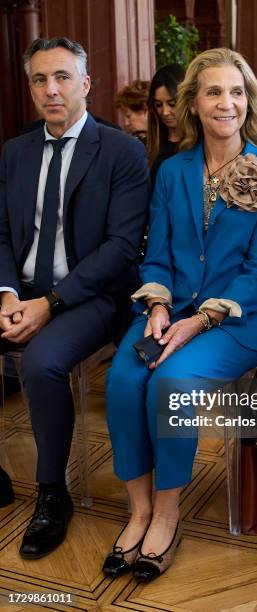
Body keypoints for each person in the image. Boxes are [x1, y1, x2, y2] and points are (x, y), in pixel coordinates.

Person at [103, 47, 257, 583]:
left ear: (248, 102)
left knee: (173, 382)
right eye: (213, 91)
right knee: (121, 379)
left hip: (239, 318)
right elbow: (155, 252)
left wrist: (198, 321)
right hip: (172, 308)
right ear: (193, 103)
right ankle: (137, 510)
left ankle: (167, 512)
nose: (225, 102)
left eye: (236, 91)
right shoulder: (171, 170)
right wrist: (161, 304)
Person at [0, 37, 150, 558]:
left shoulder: (122, 151)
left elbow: (121, 248)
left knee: (41, 363)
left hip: (94, 297)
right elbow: (0, 233)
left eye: (62, 77)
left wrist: (52, 303)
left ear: (86, 84)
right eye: (40, 79)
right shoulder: (15, 152)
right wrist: (6, 293)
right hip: (21, 291)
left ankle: (51, 494)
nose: (51, 89)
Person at [147, 64, 185, 186]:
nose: (165, 112)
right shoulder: (146, 146)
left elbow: (214, 187)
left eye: (172, 103)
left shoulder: (206, 144)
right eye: (158, 105)